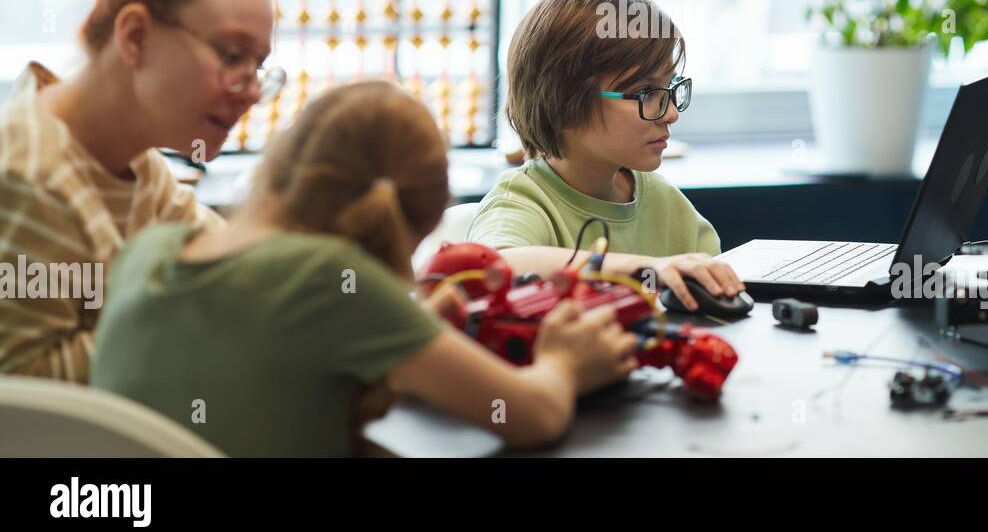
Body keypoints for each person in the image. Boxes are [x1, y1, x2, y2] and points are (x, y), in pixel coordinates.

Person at [90, 81, 638, 456]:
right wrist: (564, 363)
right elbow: (534, 416)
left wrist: (410, 339)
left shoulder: (150, 249)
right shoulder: (329, 279)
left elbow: (274, 383)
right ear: (400, 230)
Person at [0, 0, 276, 379]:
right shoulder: (29, 180)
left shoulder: (135, 166)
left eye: (259, 67)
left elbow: (226, 257)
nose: (250, 91)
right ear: (135, 37)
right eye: (232, 55)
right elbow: (23, 401)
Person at [467, 0, 744, 312]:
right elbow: (492, 269)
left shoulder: (663, 202)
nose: (670, 113)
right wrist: (642, 270)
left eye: (670, 88)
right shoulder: (524, 202)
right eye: (645, 93)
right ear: (564, 104)